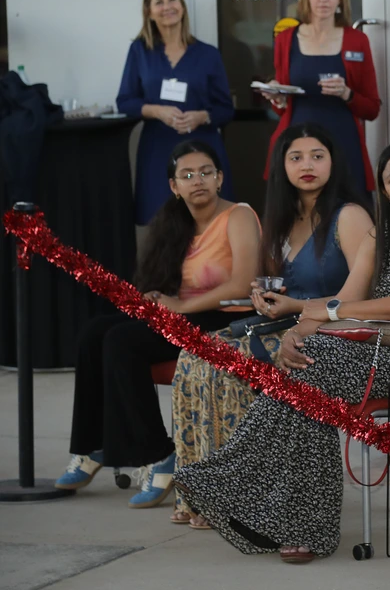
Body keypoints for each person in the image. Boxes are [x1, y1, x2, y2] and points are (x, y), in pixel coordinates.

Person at [174, 139, 390, 564]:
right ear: (385, 191)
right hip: (375, 348)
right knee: (306, 368)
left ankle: (233, 484)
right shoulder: (382, 233)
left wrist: (328, 314)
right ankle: (293, 524)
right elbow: (345, 297)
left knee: (312, 367)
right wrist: (298, 331)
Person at [168, 124, 374, 528]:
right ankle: (201, 493)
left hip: (331, 330)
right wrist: (261, 298)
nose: (307, 165)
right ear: (282, 166)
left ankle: (241, 498)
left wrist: (295, 305)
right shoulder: (282, 218)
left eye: (318, 155)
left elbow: (355, 300)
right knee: (195, 355)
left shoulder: (348, 216)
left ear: (333, 162)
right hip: (279, 324)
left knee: (232, 369)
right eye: (296, 157)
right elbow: (272, 286)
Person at [55, 142, 260, 508]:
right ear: (174, 186)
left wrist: (180, 307)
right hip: (187, 313)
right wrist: (156, 301)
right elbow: (168, 286)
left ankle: (161, 454)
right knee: (92, 333)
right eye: (187, 175)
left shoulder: (239, 216)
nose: (198, 180)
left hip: (228, 317)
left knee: (122, 341)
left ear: (220, 178)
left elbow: (242, 284)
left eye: (206, 172)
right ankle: (92, 447)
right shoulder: (173, 223)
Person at [117, 0, 235, 225]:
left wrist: (202, 116)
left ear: (182, 6)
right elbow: (125, 102)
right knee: (163, 228)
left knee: (208, 224)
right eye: (159, 2)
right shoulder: (139, 51)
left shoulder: (208, 53)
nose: (167, 6)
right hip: (159, 150)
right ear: (149, 11)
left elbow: (226, 109)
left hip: (202, 147)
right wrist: (156, 111)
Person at [261, 0, 381, 197]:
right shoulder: (286, 39)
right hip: (297, 146)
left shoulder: (357, 40)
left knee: (350, 220)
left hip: (343, 144)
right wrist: (278, 98)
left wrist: (346, 93)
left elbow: (372, 108)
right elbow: (281, 108)